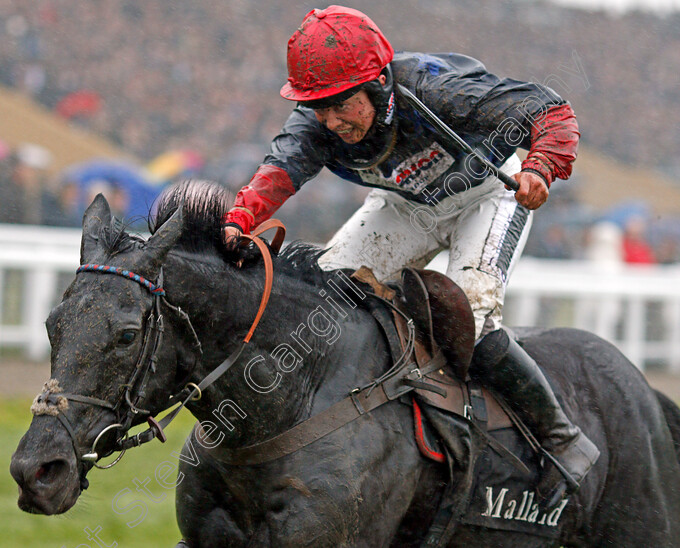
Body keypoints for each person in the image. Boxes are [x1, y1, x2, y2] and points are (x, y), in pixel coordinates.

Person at [221, 5, 597, 504]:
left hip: (485, 197)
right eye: (320, 107)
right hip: (406, 205)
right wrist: (235, 222)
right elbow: (275, 175)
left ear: (379, 85)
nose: (332, 121)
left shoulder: (439, 89)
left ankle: (560, 437)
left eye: (343, 104)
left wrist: (543, 164)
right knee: (329, 301)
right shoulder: (313, 123)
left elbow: (551, 109)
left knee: (470, 318)